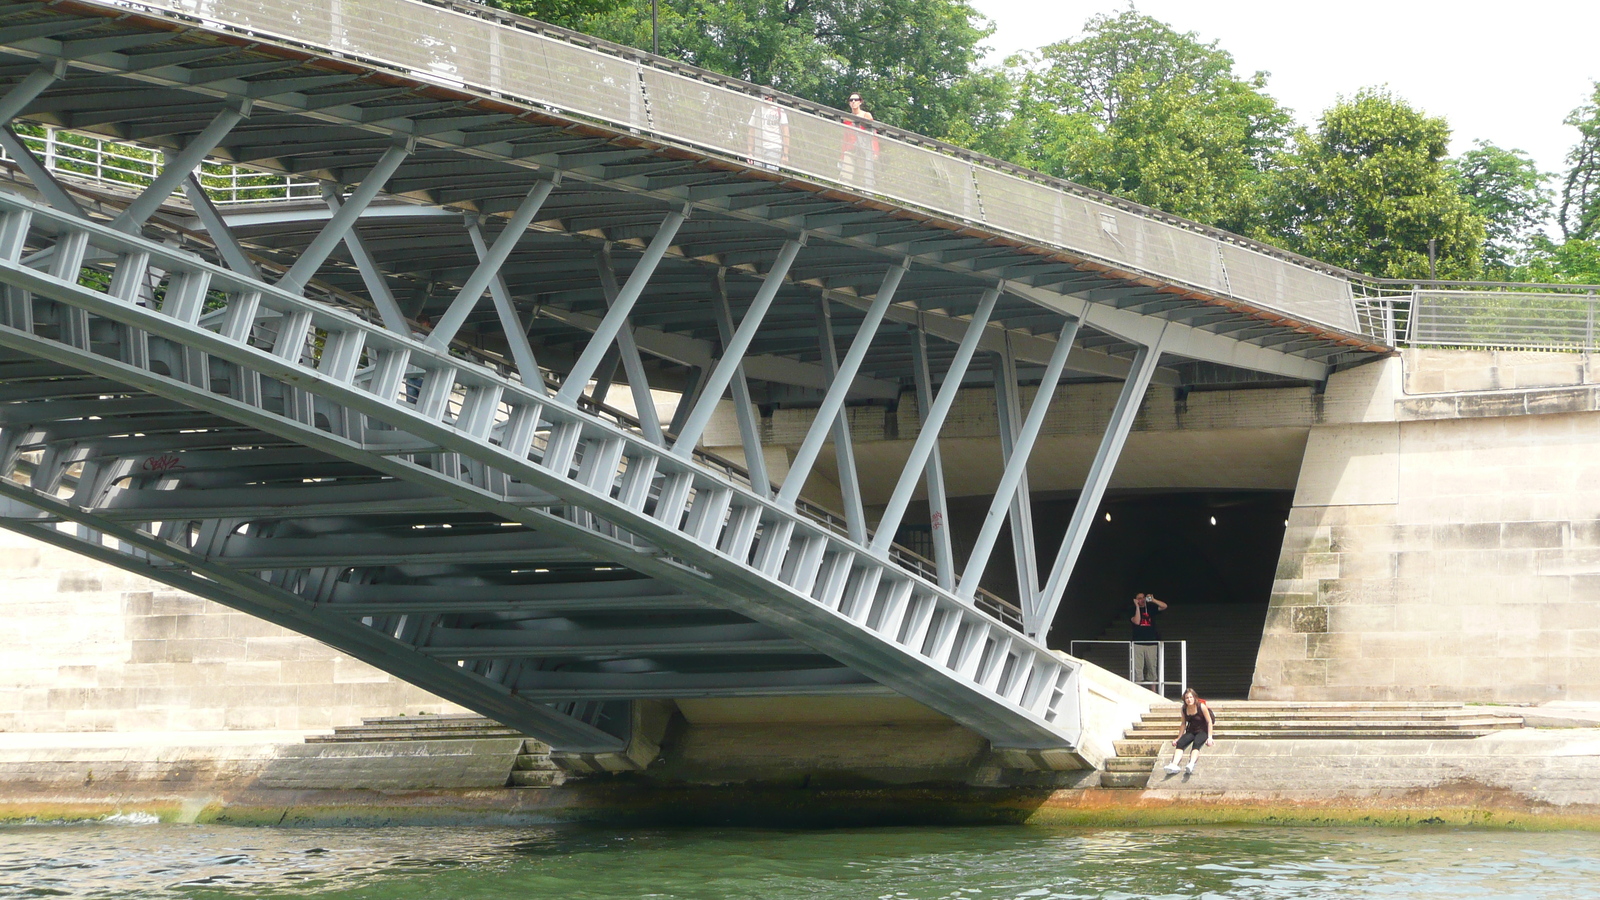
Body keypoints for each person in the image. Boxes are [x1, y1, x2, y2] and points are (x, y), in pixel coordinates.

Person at [1164, 687, 1215, 775]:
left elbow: (1209, 721)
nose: (1189, 700)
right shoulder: (1184, 708)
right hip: (1191, 730)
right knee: (1180, 744)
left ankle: (1191, 764)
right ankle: (1174, 764)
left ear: (1195, 698)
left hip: (1203, 730)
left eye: (1191, 697)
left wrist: (1210, 737)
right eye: (1187, 698)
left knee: (1197, 743)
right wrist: (1178, 738)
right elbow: (1183, 723)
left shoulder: (1201, 706)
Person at [1129, 592, 1167, 689]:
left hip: (1151, 642)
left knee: (1152, 668)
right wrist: (1137, 607)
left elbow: (1164, 606)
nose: (1141, 600)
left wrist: (1153, 600)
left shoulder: (1151, 608)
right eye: (1139, 598)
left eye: (1143, 598)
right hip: (1138, 643)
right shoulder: (1132, 609)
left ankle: (1153, 690)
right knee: (1138, 668)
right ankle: (1138, 689)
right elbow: (1137, 621)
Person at [839, 92, 878, 188]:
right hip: (851, 148)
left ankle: (864, 194)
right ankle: (846, 192)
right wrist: (842, 154)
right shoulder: (847, 118)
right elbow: (845, 138)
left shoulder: (866, 115)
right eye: (851, 100)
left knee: (864, 174)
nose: (853, 102)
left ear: (860, 102)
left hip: (864, 150)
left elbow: (873, 135)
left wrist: (875, 151)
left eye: (856, 100)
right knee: (846, 172)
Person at [746, 88, 789, 171]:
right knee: (758, 175)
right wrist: (750, 152)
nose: (769, 99)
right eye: (766, 97)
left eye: (771, 96)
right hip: (759, 149)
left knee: (771, 174)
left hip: (774, 147)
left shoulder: (779, 110)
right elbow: (751, 132)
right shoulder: (757, 110)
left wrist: (785, 155)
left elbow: (786, 133)